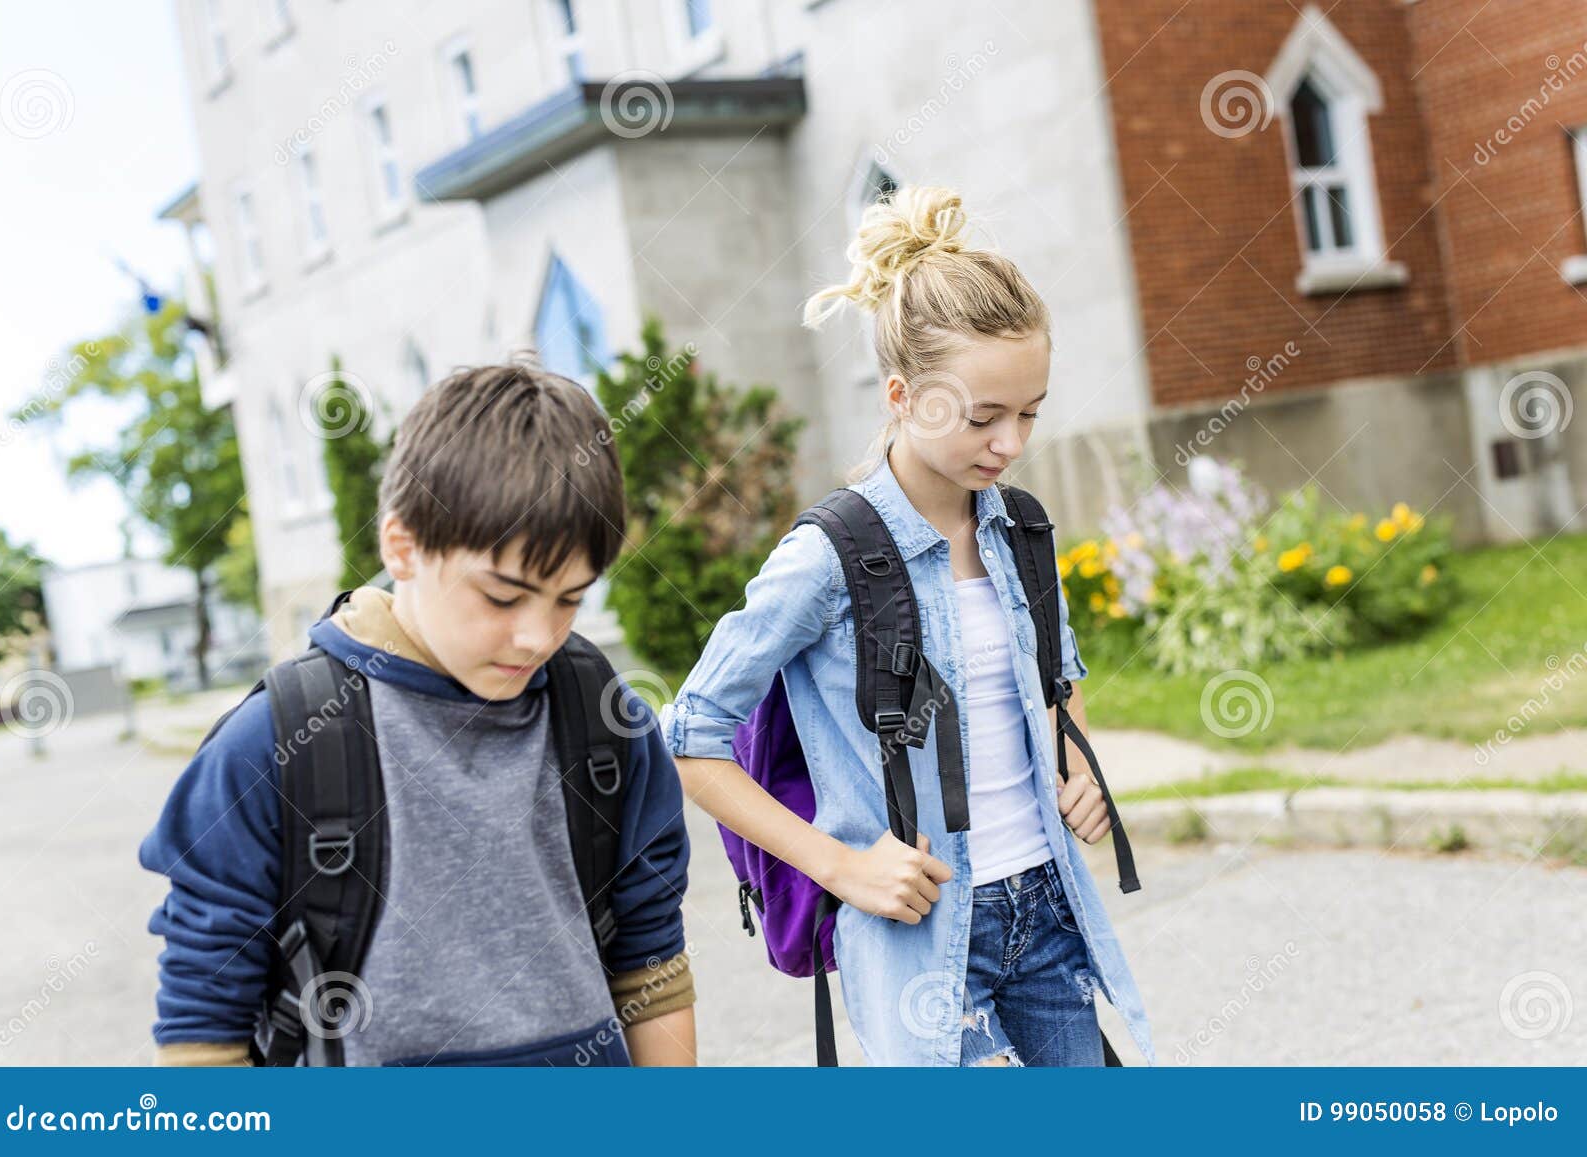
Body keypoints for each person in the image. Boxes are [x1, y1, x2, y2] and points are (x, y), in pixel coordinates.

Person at [661, 186, 1154, 1067]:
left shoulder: (1022, 529)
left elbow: (1054, 689)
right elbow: (691, 734)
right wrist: (840, 868)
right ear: (902, 395)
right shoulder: (827, 557)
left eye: (1030, 411)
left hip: (1048, 912)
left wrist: (1075, 766)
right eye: (982, 417)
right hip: (920, 937)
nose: (1010, 442)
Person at [140, 363, 695, 1066]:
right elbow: (203, 1026)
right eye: (502, 596)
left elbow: (651, 960)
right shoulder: (273, 745)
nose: (538, 634)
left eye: (570, 598)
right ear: (401, 545)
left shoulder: (602, 717)